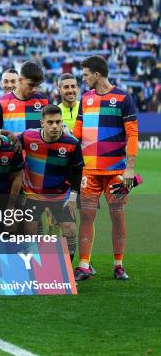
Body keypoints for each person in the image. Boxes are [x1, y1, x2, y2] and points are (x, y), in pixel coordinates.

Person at [73, 55, 138, 281]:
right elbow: (77, 133)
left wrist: (129, 169)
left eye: (85, 74)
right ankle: (83, 265)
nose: (84, 79)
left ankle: (118, 264)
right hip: (89, 171)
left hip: (116, 172)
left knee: (117, 216)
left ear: (97, 74)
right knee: (87, 217)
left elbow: (132, 134)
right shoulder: (86, 98)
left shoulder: (122, 98)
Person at [20, 105, 83, 260]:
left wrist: (73, 197)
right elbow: (10, 145)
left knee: (70, 230)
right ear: (42, 123)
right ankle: (32, 269)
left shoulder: (72, 143)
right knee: (29, 231)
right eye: (50, 122)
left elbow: (77, 171)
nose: (55, 126)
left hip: (60, 195)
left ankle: (67, 271)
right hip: (32, 194)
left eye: (58, 122)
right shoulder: (28, 136)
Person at [0, 61, 50, 134]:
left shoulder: (44, 101)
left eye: (37, 85)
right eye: (31, 85)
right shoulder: (1, 103)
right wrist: (9, 134)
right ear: (20, 80)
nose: (34, 89)